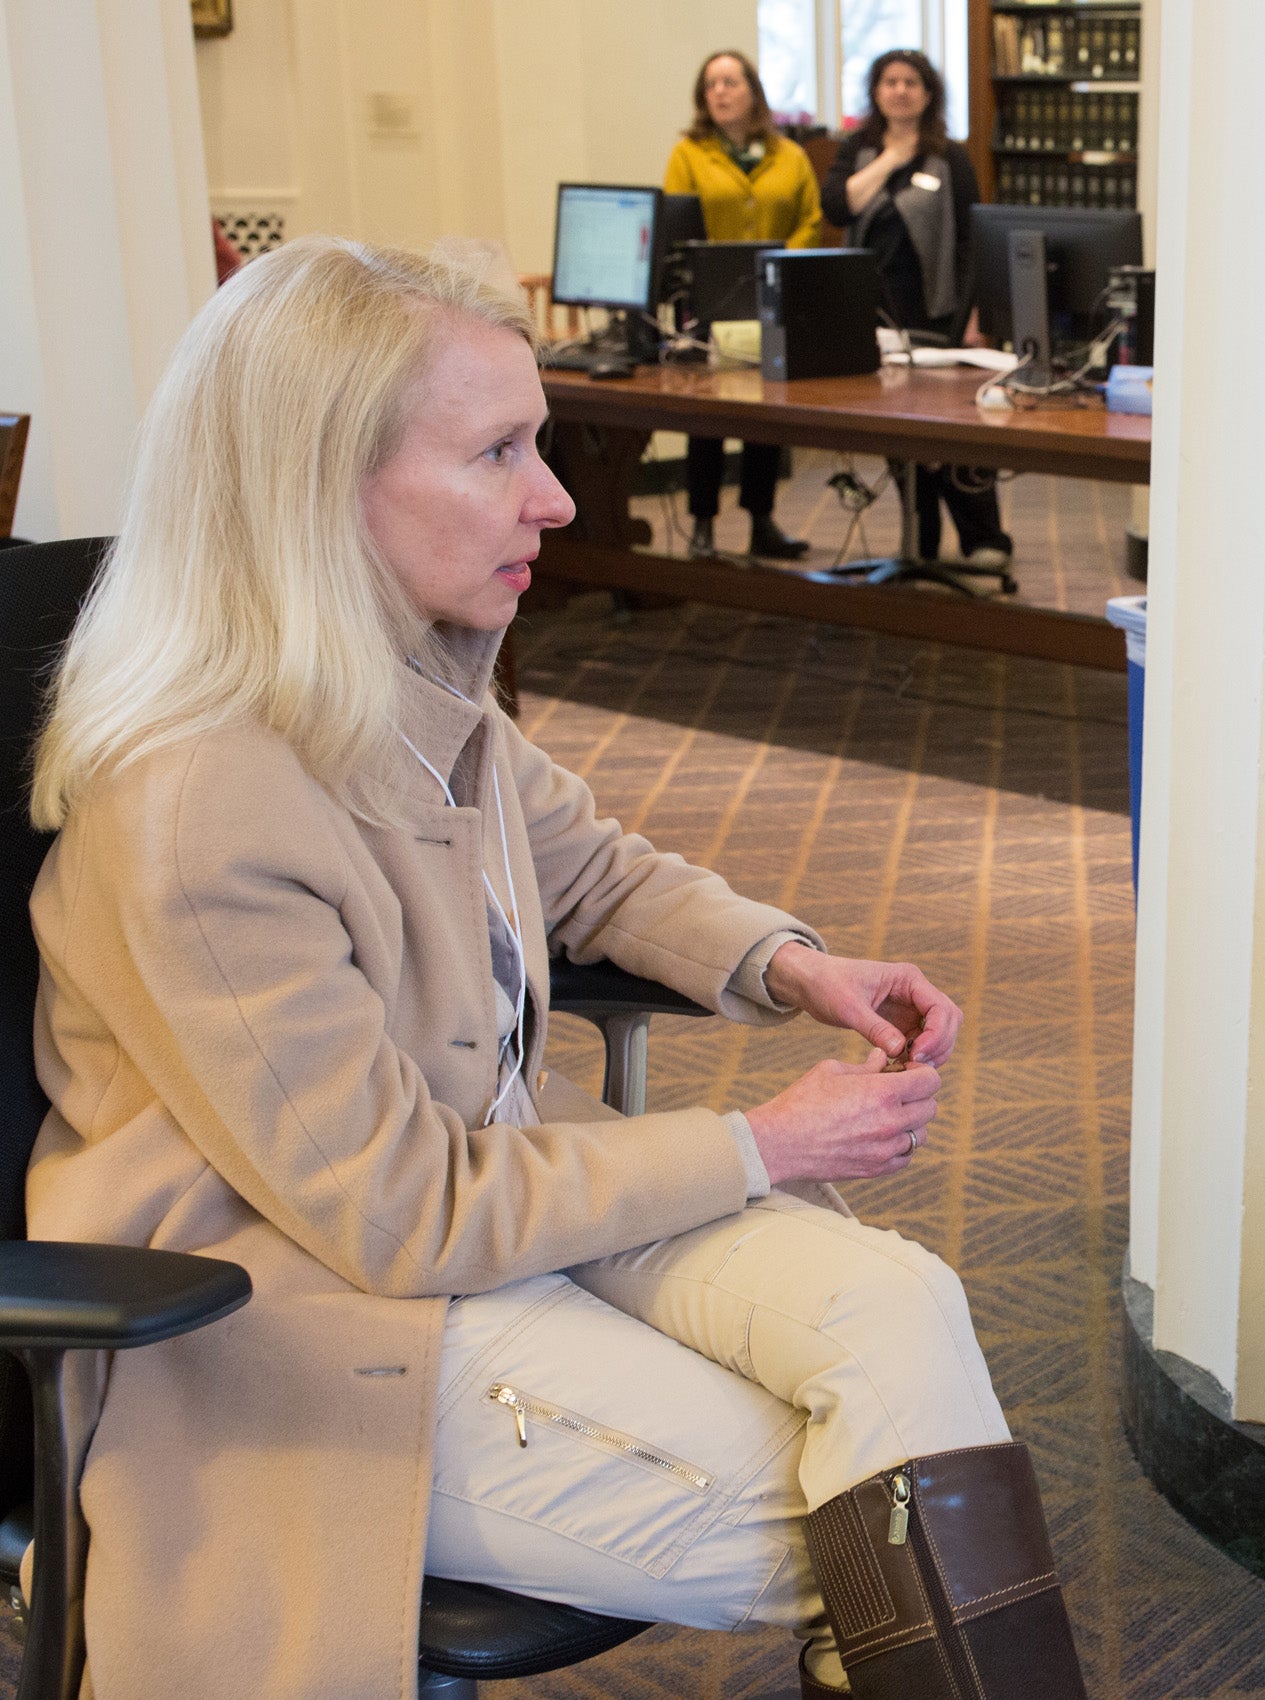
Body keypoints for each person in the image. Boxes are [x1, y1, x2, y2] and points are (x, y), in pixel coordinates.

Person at [27, 238, 1086, 1700]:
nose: (562, 496)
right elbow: (396, 1214)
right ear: (319, 489)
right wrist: (759, 1145)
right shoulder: (200, 806)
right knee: (867, 1521)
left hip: (497, 1190)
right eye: (499, 452)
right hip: (301, 1307)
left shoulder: (404, 680)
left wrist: (791, 965)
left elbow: (587, 869)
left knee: (900, 1337)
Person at [821, 49, 1015, 578]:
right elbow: (839, 208)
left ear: (928, 94)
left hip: (940, 312)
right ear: (876, 92)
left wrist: (978, 314)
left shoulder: (950, 157)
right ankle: (920, 542)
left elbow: (975, 240)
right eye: (890, 82)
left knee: (953, 432)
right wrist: (889, 156)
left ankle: (983, 537)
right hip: (874, 316)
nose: (900, 91)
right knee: (900, 434)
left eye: (911, 82)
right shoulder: (857, 151)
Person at [665, 48, 821, 561]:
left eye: (731, 82)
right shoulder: (689, 153)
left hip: (776, 298)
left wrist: (782, 265)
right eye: (712, 85)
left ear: (752, 91)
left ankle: (761, 519)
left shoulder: (789, 155)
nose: (721, 92)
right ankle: (704, 525)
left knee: (765, 415)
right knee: (707, 419)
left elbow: (811, 218)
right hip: (709, 302)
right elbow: (680, 221)